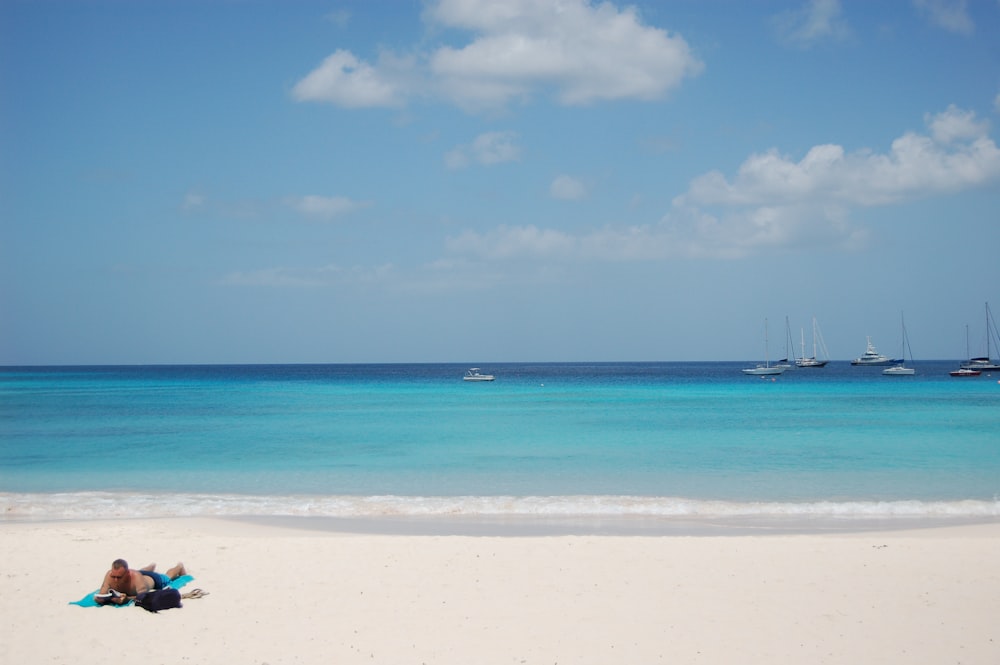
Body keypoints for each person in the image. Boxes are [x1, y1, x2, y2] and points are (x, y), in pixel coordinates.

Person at [95, 559, 187, 606]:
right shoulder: (109, 575)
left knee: (167, 577)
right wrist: (100, 599)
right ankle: (151, 566)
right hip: (139, 573)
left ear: (127, 573)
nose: (115, 580)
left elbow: (144, 597)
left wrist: (127, 599)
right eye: (113, 576)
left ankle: (179, 566)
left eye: (119, 577)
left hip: (152, 579)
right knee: (141, 571)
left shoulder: (136, 578)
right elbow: (102, 592)